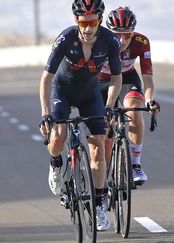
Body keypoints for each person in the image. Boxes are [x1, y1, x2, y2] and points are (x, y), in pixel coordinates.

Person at [39, 0, 122, 231]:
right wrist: (46, 113)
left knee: (98, 145)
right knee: (58, 137)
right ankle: (56, 164)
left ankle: (97, 206)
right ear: (77, 21)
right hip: (62, 91)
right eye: (83, 22)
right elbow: (46, 78)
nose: (87, 28)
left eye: (92, 22)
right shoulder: (66, 38)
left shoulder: (109, 41)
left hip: (89, 95)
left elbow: (116, 77)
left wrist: (109, 105)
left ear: (100, 20)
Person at [99, 6, 160, 185]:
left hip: (127, 77)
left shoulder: (142, 41)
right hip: (101, 81)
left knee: (134, 109)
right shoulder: (99, 41)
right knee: (105, 134)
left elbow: (147, 78)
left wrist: (149, 100)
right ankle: (104, 176)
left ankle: (135, 165)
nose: (122, 39)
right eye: (117, 34)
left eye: (127, 34)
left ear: (133, 33)